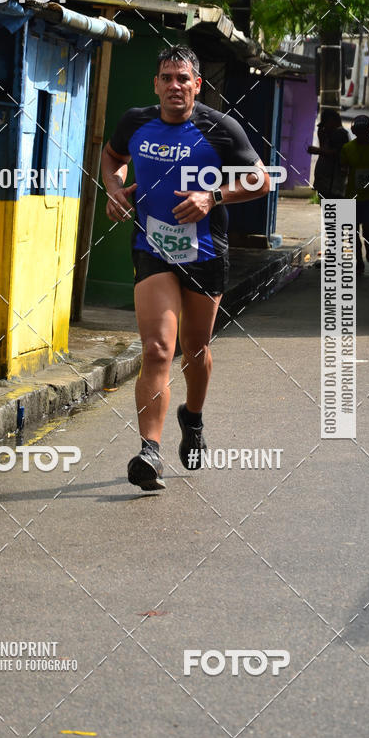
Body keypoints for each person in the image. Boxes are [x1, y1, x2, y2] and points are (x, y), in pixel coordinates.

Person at [100, 45, 270, 491]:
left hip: (206, 255)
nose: (174, 85)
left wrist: (212, 197)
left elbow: (261, 179)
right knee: (158, 349)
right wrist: (114, 190)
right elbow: (112, 157)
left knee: (195, 349)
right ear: (155, 84)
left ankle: (192, 418)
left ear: (197, 84)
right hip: (151, 248)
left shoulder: (220, 129)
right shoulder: (136, 121)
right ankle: (150, 452)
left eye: (183, 78)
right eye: (167, 78)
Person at [340, 114, 369, 275]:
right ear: (355, 132)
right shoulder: (347, 149)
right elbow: (343, 170)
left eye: (365, 132)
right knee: (353, 232)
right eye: (359, 132)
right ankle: (358, 260)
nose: (362, 135)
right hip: (352, 197)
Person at [308, 109, 349, 198]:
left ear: (332, 121)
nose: (324, 128)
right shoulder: (331, 134)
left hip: (334, 187)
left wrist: (317, 150)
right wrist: (321, 137)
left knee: (338, 210)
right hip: (327, 185)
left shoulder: (340, 134)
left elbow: (336, 153)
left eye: (326, 124)